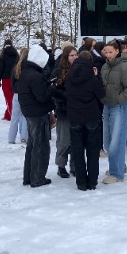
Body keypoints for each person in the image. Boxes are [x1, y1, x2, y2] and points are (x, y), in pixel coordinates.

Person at [66, 50, 105, 191]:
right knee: (92, 151)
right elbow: (102, 94)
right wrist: (97, 77)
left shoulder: (69, 77)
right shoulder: (92, 78)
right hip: (91, 116)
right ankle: (92, 181)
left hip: (75, 117)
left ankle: (81, 182)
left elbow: (67, 95)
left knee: (77, 151)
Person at [17, 45, 54, 188]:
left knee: (32, 146)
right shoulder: (35, 75)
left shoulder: (25, 72)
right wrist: (51, 88)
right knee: (40, 146)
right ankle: (37, 178)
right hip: (38, 113)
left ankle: (29, 177)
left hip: (29, 112)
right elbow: (42, 96)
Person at [101, 40, 127, 184]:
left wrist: (118, 99)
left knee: (116, 140)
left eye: (110, 52)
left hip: (119, 107)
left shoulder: (123, 67)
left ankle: (116, 173)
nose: (108, 54)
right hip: (106, 105)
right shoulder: (104, 67)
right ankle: (120, 166)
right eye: (106, 52)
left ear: (117, 51)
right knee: (107, 140)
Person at [49, 46, 76, 179]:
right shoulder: (58, 71)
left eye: (76, 55)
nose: (74, 57)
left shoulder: (79, 68)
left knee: (76, 140)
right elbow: (53, 90)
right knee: (64, 140)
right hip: (64, 109)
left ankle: (75, 165)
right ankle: (61, 165)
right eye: (72, 55)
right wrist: (67, 95)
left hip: (77, 109)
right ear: (66, 57)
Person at [0, 39, 19, 120]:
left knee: (9, 98)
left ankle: (13, 116)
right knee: (14, 98)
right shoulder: (16, 54)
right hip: (15, 78)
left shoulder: (3, 55)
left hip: (6, 79)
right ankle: (8, 115)